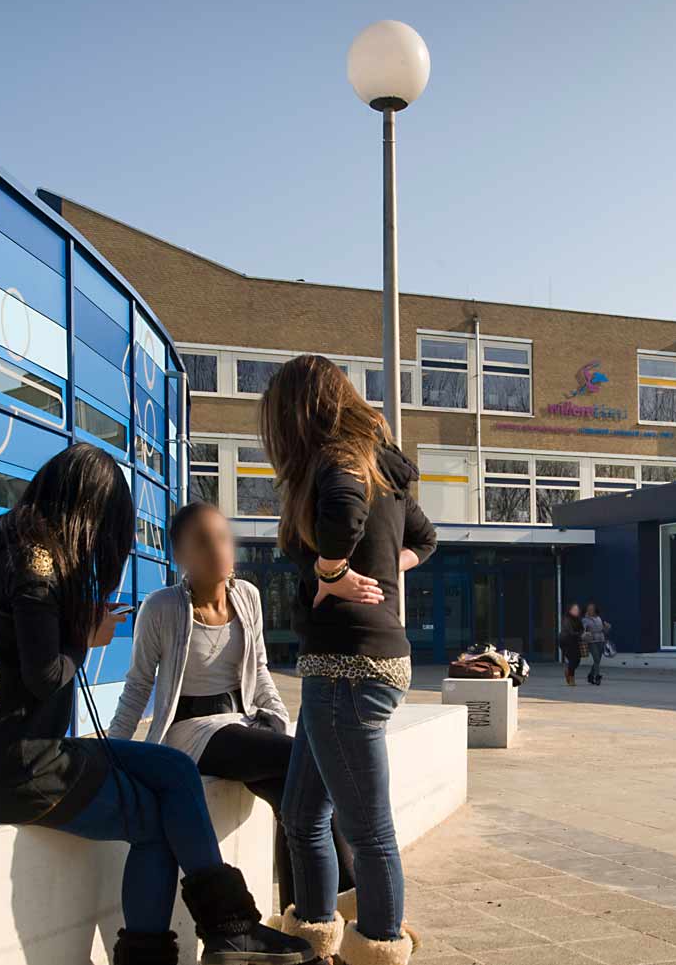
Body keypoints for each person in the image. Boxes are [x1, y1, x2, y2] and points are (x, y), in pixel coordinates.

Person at [0, 444, 313, 965]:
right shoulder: (38, 564)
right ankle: (224, 932)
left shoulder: (0, 544)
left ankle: (231, 929)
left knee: (171, 769)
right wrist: (85, 636)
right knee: (155, 820)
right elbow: (45, 676)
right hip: (23, 769)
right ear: (89, 513)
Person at [261, 354, 437, 965]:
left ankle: (380, 949)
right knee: (303, 814)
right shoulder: (376, 466)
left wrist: (331, 571)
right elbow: (425, 537)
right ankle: (314, 937)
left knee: (368, 832)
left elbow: (340, 516)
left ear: (296, 413)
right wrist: (384, 569)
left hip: (350, 667)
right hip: (351, 667)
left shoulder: (337, 462)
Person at [112, 500, 358, 914]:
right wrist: (113, 751)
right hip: (192, 731)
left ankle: (303, 925)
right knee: (308, 761)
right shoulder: (162, 608)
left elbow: (259, 669)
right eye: (203, 542)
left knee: (294, 801)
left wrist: (278, 719)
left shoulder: (247, 596)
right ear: (180, 555)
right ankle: (353, 898)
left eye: (224, 539)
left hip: (243, 722)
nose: (219, 550)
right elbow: (138, 685)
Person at [581, 602, 609, 686]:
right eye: (589, 609)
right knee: (596, 658)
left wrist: (607, 627)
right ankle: (597, 676)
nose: (590, 610)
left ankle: (590, 675)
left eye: (592, 609)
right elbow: (583, 630)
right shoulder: (585, 619)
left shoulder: (599, 618)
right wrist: (585, 634)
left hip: (601, 640)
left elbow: (603, 630)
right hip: (592, 641)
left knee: (598, 660)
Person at [559, 603, 585, 686]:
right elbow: (570, 632)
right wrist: (580, 634)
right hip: (566, 641)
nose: (577, 611)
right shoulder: (567, 619)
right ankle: (571, 679)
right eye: (574, 609)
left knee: (577, 659)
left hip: (575, 641)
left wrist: (583, 633)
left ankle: (568, 672)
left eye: (577, 609)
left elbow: (582, 629)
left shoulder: (578, 619)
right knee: (572, 660)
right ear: (570, 611)